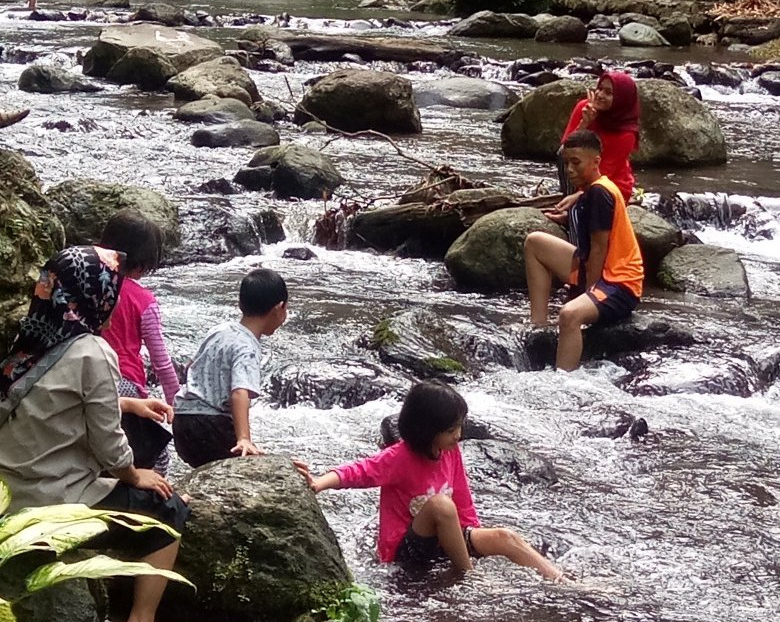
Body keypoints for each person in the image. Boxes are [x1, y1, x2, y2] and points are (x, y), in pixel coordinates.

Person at [0, 245, 189, 622]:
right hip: (51, 498)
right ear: (96, 293)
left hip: (8, 490)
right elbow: (109, 447)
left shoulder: (35, 334)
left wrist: (127, 403)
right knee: (169, 513)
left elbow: (49, 399)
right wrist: (137, 476)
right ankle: (142, 616)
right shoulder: (93, 351)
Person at [299, 380, 564, 580]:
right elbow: (355, 472)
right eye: (451, 430)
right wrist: (318, 483)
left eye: (460, 426)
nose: (459, 435)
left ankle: (560, 580)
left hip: (445, 540)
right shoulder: (398, 457)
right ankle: (469, 579)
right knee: (440, 505)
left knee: (505, 537)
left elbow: (462, 497)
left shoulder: (450, 452)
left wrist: (472, 537)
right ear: (426, 430)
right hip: (405, 550)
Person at [525, 130, 644, 371]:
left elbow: (599, 249)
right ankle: (537, 326)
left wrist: (585, 296)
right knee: (534, 242)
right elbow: (592, 231)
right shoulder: (591, 190)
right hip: (591, 264)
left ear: (596, 162)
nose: (569, 169)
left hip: (619, 282)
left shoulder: (600, 192)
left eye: (576, 163)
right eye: (566, 162)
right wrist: (568, 217)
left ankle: (564, 380)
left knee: (569, 315)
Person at [173, 267, 288, 468]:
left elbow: (191, 366)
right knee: (249, 467)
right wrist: (244, 438)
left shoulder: (219, 330)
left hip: (182, 421)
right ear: (278, 309)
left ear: (240, 303)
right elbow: (239, 393)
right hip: (210, 426)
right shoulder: (248, 346)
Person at [100, 209, 181, 473]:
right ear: (144, 262)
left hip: (92, 379)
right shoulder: (144, 301)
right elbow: (161, 361)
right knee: (155, 457)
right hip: (127, 384)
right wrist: (176, 405)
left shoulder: (90, 285)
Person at [558, 72, 640, 206]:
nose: (600, 95)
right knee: (566, 155)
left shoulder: (627, 134)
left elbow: (605, 172)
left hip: (610, 184)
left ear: (620, 99)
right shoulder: (584, 108)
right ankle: (568, 198)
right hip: (582, 174)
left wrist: (580, 195)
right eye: (599, 88)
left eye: (608, 93)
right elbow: (566, 148)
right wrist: (584, 123)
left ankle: (572, 208)